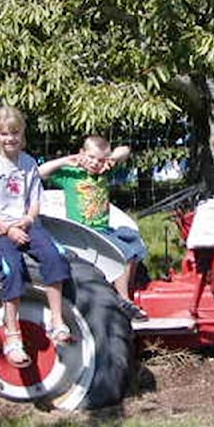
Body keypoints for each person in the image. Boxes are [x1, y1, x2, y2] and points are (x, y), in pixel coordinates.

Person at [0, 105, 73, 369]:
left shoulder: (28, 163)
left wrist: (27, 220)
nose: (10, 138)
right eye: (4, 133)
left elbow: (35, 201)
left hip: (24, 222)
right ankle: (12, 336)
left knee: (55, 255)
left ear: (22, 134)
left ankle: (57, 322)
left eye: (14, 133)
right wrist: (8, 229)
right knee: (12, 267)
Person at [38, 136, 149, 321]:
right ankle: (124, 300)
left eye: (99, 160)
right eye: (91, 157)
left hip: (103, 229)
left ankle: (122, 288)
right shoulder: (70, 174)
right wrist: (66, 160)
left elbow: (125, 150)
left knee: (134, 242)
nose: (95, 163)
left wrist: (111, 159)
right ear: (82, 153)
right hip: (84, 232)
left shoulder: (104, 173)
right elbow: (41, 172)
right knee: (124, 253)